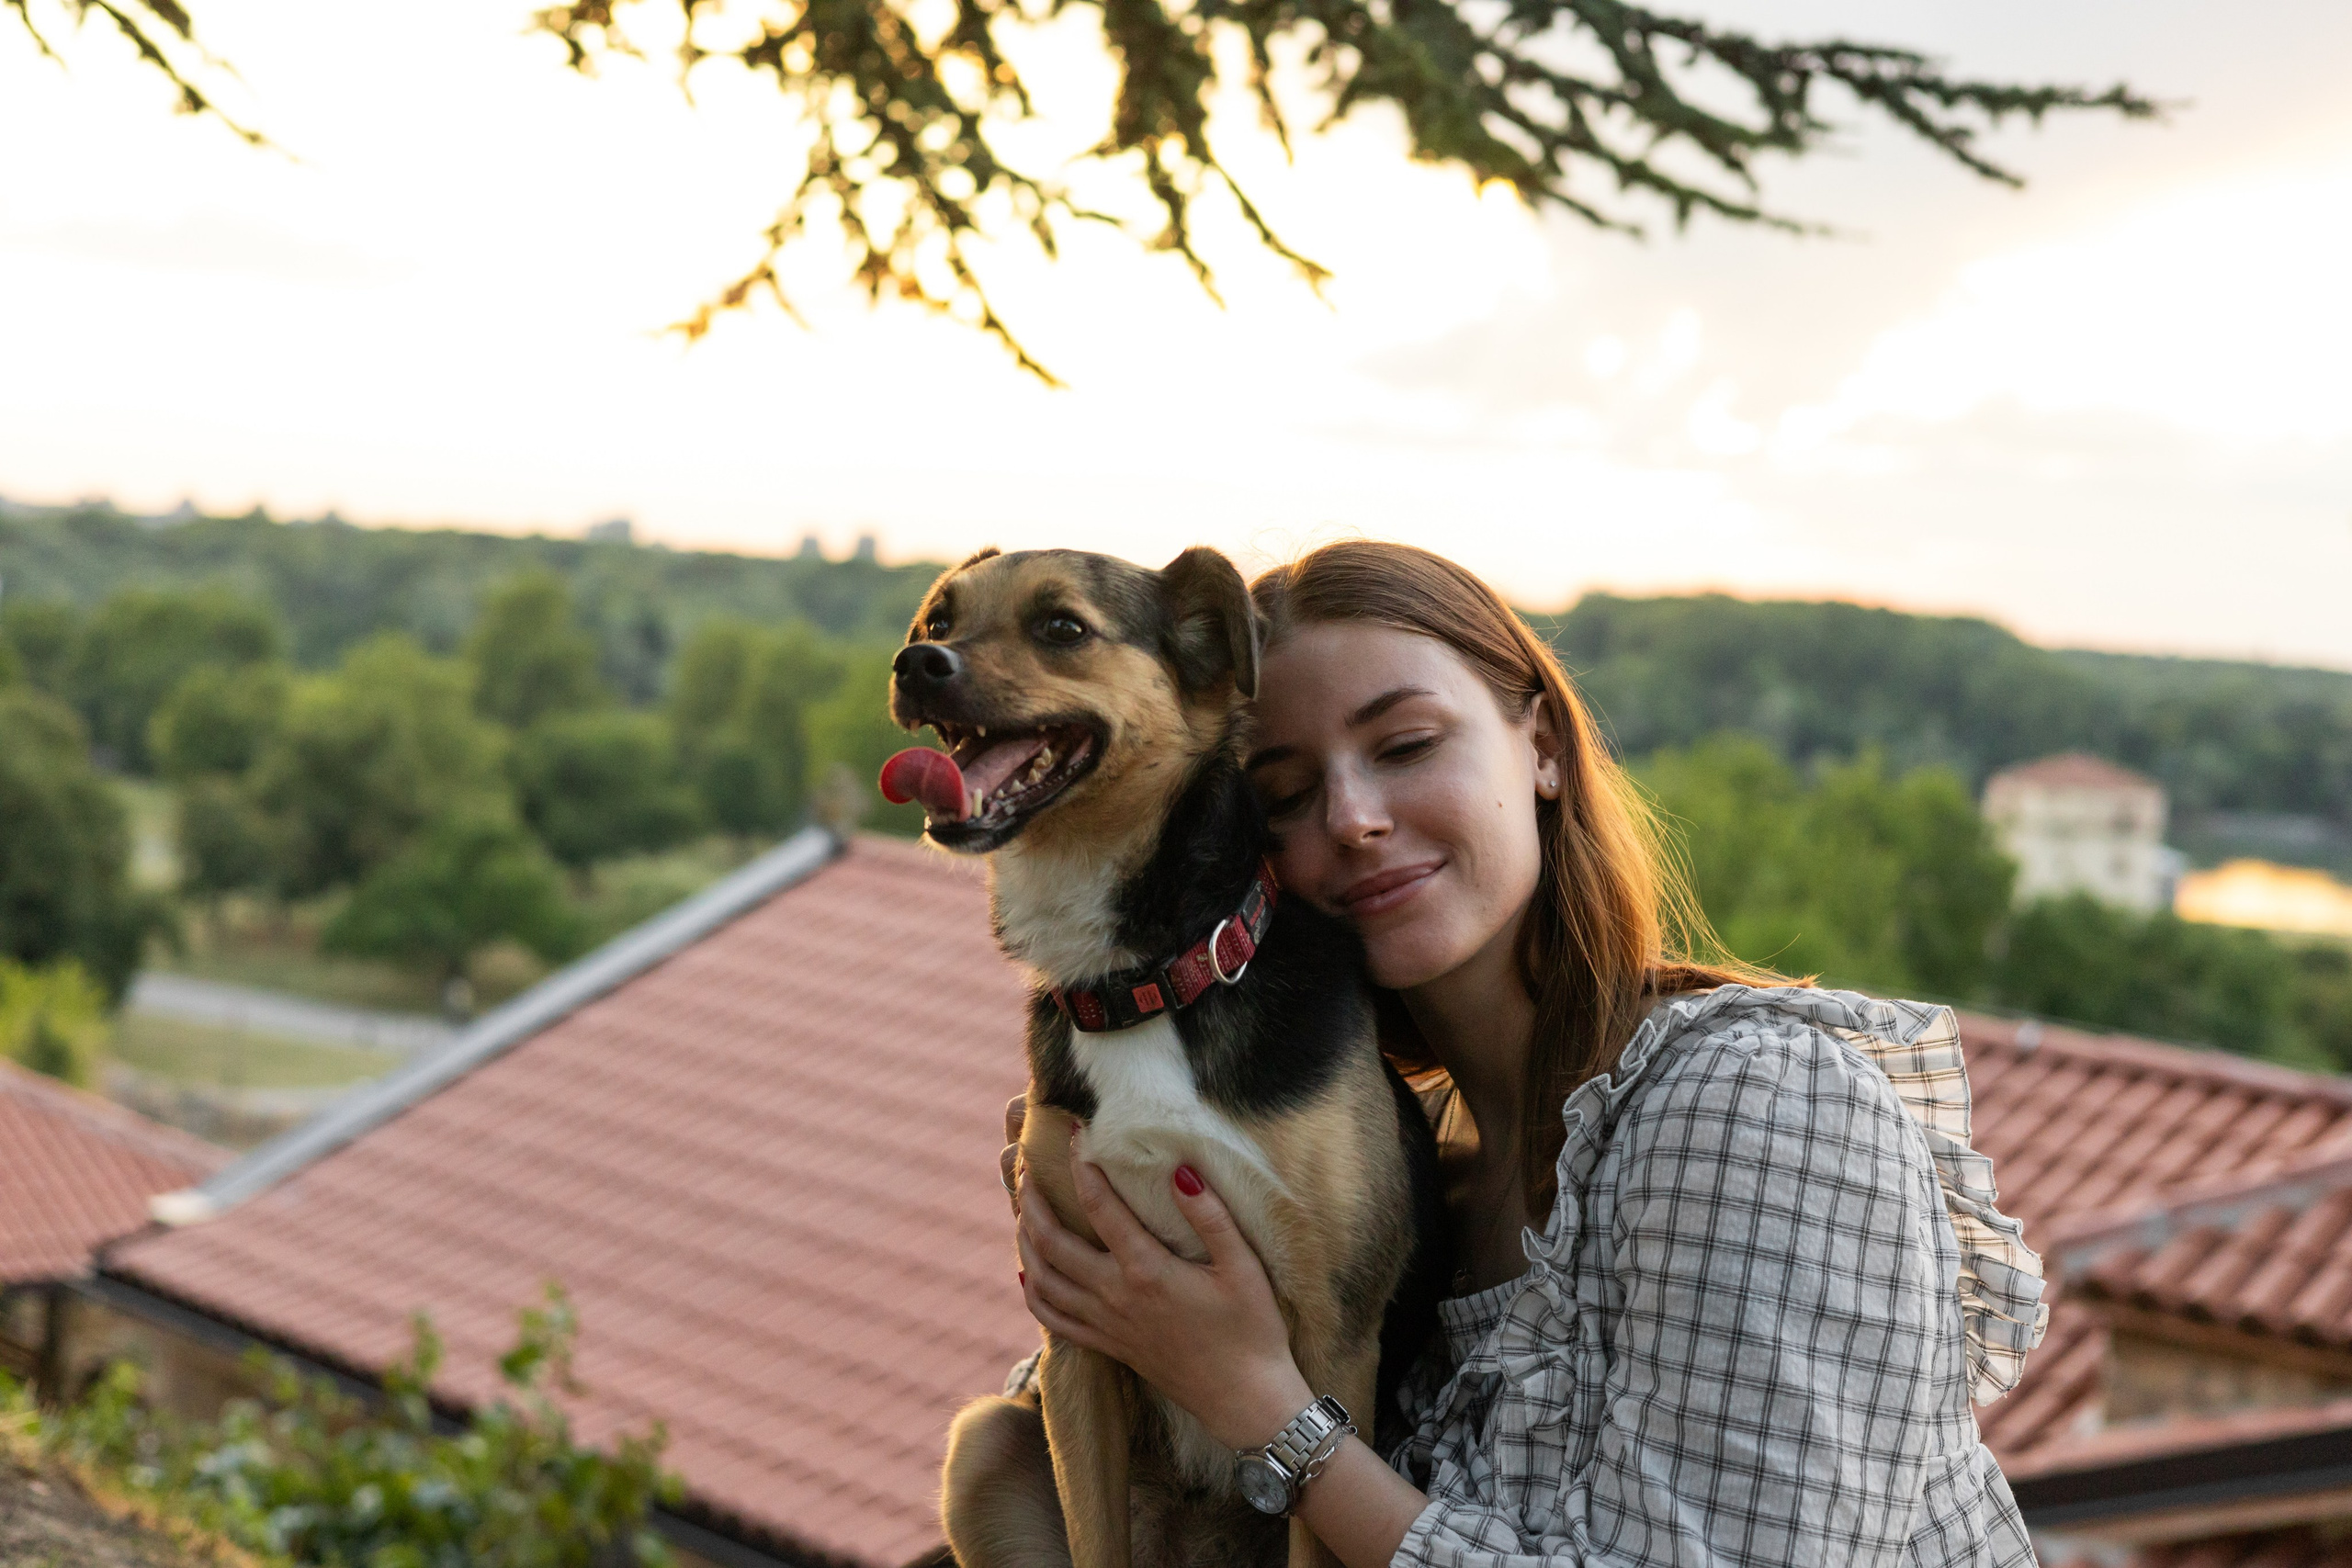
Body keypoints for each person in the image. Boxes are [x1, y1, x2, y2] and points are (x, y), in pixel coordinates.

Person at [1002, 541, 2047, 1567]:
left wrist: (1270, 1409)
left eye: (1406, 746)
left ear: (1541, 744)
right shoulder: (1403, 1155)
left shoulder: (1757, 1109)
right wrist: (1116, 1282)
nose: (1355, 819)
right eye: (1283, 796)